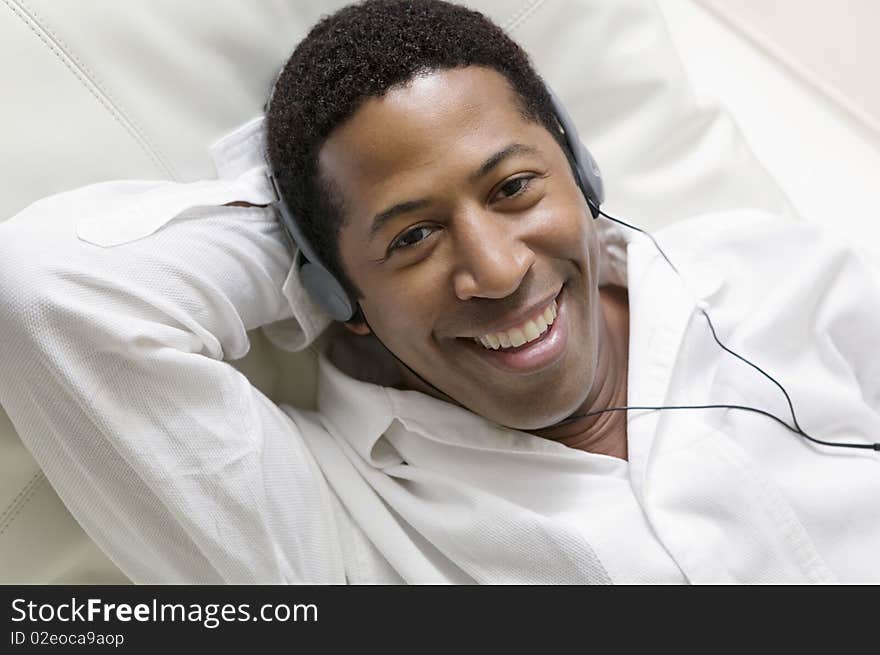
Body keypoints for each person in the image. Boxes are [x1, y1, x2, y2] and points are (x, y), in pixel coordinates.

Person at [0, 0, 878, 584]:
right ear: (333, 288)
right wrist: (305, 234)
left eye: (513, 188)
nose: (496, 271)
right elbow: (45, 291)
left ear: (581, 173)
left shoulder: (779, 279)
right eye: (412, 236)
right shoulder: (336, 526)